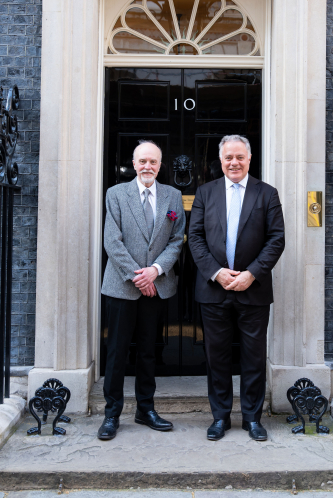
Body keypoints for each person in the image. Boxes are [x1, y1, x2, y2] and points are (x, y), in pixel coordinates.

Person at [189, 135, 285, 442]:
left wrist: (252, 274)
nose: (234, 162)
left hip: (253, 291)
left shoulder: (267, 193)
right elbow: (195, 238)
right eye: (228, 157)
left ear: (249, 158)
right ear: (220, 160)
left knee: (253, 358)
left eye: (239, 157)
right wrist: (216, 273)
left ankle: (252, 418)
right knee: (216, 357)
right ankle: (220, 417)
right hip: (214, 290)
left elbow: (276, 239)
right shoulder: (205, 192)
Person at [99, 140, 186, 440]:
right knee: (116, 352)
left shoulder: (174, 196)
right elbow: (112, 240)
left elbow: (177, 240)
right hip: (123, 287)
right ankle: (111, 414)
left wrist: (155, 271)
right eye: (143, 161)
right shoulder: (116, 194)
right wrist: (138, 275)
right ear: (134, 164)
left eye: (154, 162)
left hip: (157, 287)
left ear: (160, 165)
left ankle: (145, 409)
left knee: (149, 353)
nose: (148, 166)